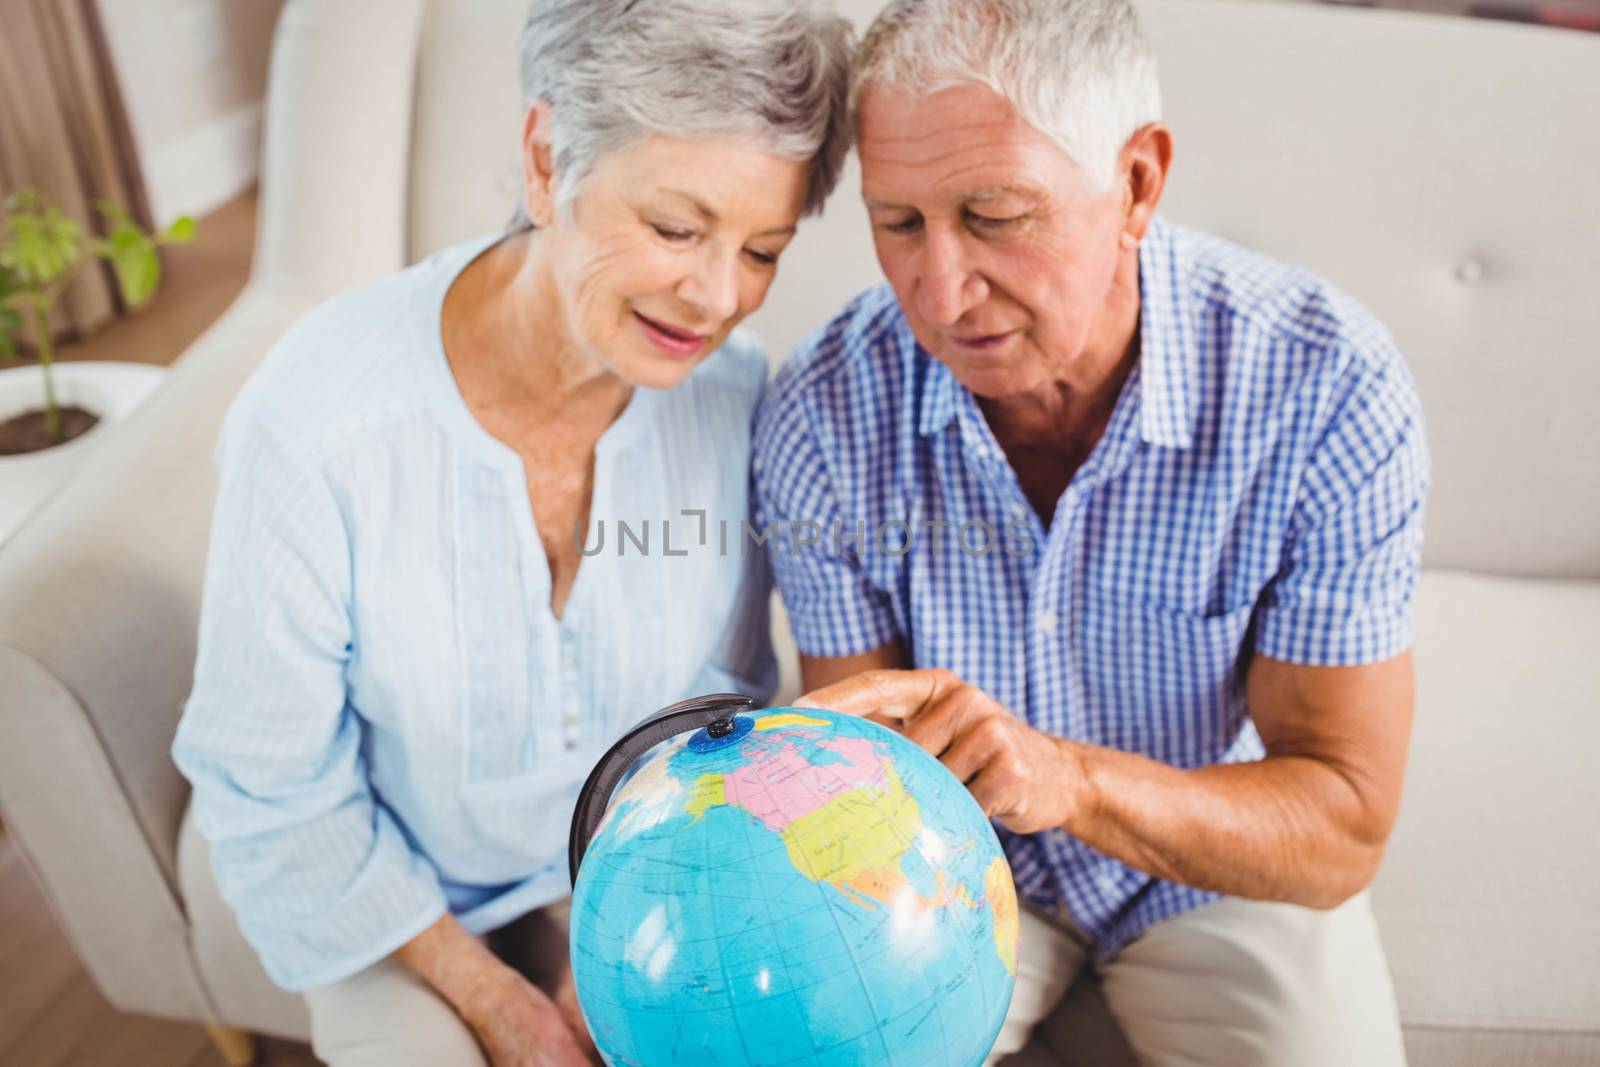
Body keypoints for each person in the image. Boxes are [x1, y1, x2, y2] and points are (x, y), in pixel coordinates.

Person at [172, 1, 852, 1064]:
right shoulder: (318, 428)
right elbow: (273, 792)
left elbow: (736, 709)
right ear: (546, 163)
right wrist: (499, 1004)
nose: (718, 294)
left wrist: (631, 934)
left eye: (760, 247)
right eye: (676, 228)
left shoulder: (734, 398)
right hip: (398, 910)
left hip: (650, 883)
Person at [752, 1, 1429, 1064]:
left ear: (1137, 184)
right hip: (952, 859)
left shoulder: (1325, 384)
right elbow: (861, 774)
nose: (939, 291)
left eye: (994, 213)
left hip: (1209, 858)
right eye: (898, 222)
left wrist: (1068, 780)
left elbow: (1340, 820)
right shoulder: (825, 409)